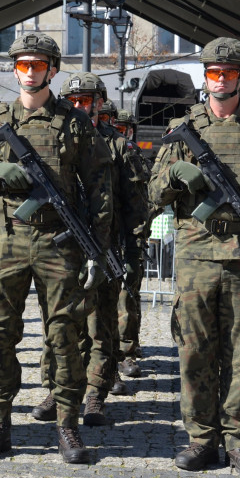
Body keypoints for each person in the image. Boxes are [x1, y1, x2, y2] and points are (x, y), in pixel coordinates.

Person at [0, 32, 113, 463]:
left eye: (37, 65)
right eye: (22, 65)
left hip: (59, 240)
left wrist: (96, 250)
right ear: (14, 69)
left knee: (65, 334)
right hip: (6, 237)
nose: (29, 72)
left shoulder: (74, 122)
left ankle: (67, 425)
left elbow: (100, 188)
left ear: (52, 70)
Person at [149, 37, 240, 475]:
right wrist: (175, 173)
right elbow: (153, 192)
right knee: (194, 349)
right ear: (205, 77)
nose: (221, 80)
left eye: (229, 73)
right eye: (213, 73)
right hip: (196, 255)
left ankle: (239, 441)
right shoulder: (182, 131)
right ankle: (200, 439)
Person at [30, 73, 147, 427]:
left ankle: (96, 392)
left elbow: (134, 204)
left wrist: (133, 251)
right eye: (75, 101)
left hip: (103, 247)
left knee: (101, 325)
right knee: (60, 325)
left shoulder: (118, 146)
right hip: (61, 248)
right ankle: (59, 390)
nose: (81, 107)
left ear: (99, 103)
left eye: (88, 101)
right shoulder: (55, 140)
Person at [111, 106, 151, 378]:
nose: (120, 133)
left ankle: (126, 352)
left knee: (127, 298)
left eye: (125, 129)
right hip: (102, 234)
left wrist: (138, 238)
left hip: (126, 235)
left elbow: (142, 200)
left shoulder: (133, 156)